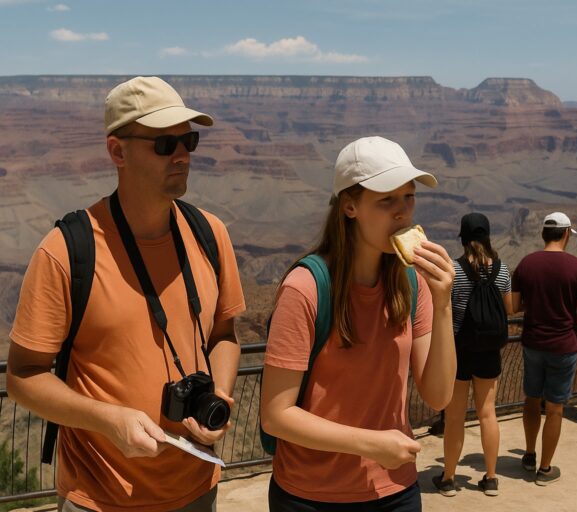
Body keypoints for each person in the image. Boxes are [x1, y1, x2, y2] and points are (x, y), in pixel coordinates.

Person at [6, 76, 246, 511]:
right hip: (101, 498)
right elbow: (23, 376)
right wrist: (109, 420)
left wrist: (220, 397)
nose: (182, 156)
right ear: (118, 152)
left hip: (198, 487)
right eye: (164, 144)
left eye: (188, 141)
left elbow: (224, 334)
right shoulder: (67, 251)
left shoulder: (210, 234)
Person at [260, 136, 456, 511]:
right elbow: (275, 415)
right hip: (311, 496)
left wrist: (444, 303)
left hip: (395, 491)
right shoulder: (305, 288)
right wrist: (371, 444)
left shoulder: (412, 284)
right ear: (350, 206)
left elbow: (438, 395)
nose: (403, 212)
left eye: (409, 197)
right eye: (387, 200)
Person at [432, 212, 513, 498]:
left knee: (454, 417)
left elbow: (445, 310)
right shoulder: (502, 270)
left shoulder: (454, 270)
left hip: (458, 350)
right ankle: (490, 479)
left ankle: (448, 479)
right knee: (487, 413)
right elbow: (508, 309)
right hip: (489, 351)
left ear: (463, 239)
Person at [510, 212, 577, 486]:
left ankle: (529, 454)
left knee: (531, 400)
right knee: (555, 408)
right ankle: (545, 469)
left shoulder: (526, 264)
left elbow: (514, 306)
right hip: (563, 346)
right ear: (566, 234)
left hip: (533, 343)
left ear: (543, 234)